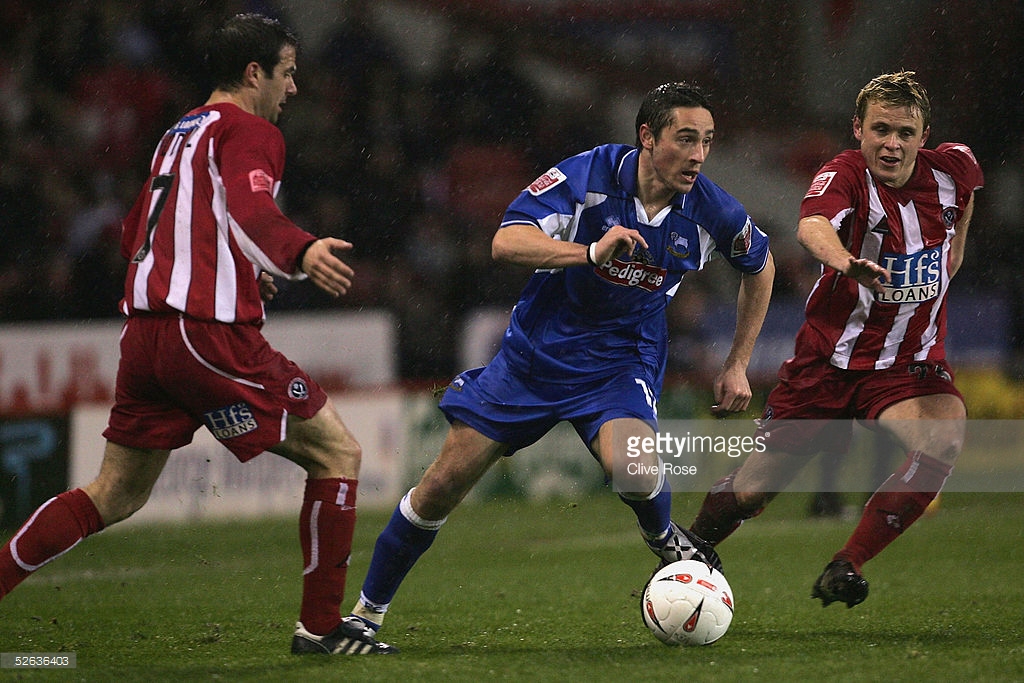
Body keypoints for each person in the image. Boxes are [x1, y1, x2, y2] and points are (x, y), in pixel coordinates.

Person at [0, 14, 394, 656]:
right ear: (254, 73)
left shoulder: (178, 130)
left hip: (146, 337)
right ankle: (321, 629)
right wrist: (302, 251)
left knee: (114, 493)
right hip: (205, 336)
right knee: (338, 454)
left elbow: (139, 234)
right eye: (288, 74)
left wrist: (237, 271)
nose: (293, 89)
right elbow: (251, 209)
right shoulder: (250, 129)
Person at [346, 82, 776, 641]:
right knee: (441, 484)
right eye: (685, 139)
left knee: (635, 468)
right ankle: (365, 616)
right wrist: (589, 252)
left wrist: (737, 362)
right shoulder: (589, 176)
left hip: (621, 360)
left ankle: (664, 537)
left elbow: (760, 269)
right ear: (647, 137)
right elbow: (506, 241)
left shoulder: (713, 211)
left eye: (708, 142)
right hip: (533, 358)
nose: (698, 155)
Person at [689, 70, 983, 608]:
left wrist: (938, 274)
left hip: (908, 366)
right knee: (756, 488)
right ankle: (687, 557)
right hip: (828, 362)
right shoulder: (844, 173)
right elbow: (812, 226)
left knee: (943, 437)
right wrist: (847, 263)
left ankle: (847, 563)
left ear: (924, 134)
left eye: (904, 132)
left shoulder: (956, 170)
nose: (891, 144)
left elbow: (957, 233)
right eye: (880, 130)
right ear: (858, 130)